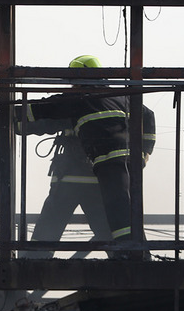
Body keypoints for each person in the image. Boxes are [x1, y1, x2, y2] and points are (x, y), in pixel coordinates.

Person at [16, 55, 156, 259]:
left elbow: (41, 117)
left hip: (71, 178)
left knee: (51, 221)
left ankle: (34, 262)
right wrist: (143, 154)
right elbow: (147, 115)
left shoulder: (77, 101)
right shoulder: (118, 98)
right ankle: (132, 259)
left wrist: (14, 117)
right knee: (114, 222)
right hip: (104, 179)